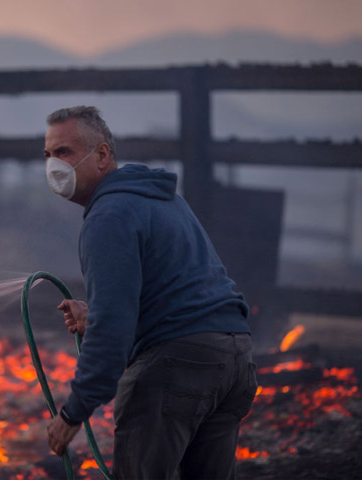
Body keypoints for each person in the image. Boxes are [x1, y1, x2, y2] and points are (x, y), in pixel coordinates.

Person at [43, 106, 257, 479]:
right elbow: (174, 295)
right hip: (233, 359)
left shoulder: (108, 216)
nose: (53, 165)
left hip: (177, 368)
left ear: (103, 155)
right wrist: (95, 316)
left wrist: (72, 414)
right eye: (48, 155)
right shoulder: (162, 200)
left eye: (64, 152)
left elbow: (113, 335)